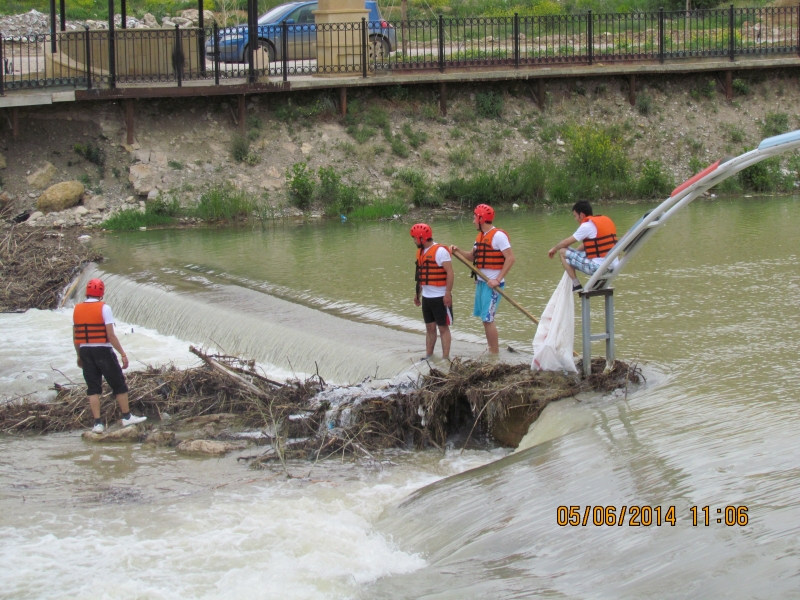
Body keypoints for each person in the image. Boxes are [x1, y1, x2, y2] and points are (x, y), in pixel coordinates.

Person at [73, 278, 146, 434]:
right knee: (118, 384)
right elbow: (110, 335)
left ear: (87, 292)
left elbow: (76, 336)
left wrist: (79, 355)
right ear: (101, 293)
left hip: (85, 350)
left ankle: (98, 424)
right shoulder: (104, 308)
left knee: (93, 389)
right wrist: (123, 353)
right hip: (103, 350)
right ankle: (127, 417)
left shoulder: (77, 309)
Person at [450, 204, 515, 356]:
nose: (473, 221)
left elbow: (510, 259)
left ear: (481, 219)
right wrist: (457, 250)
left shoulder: (498, 236)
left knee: (488, 318)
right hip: (482, 282)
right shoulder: (480, 237)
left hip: (493, 285)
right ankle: (492, 349)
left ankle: (495, 353)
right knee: (484, 319)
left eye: (474, 218)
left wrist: (497, 279)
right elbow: (472, 257)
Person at [548, 200, 619, 292]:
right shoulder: (604, 221)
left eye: (575, 216)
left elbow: (566, 243)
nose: (575, 219)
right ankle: (598, 281)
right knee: (568, 253)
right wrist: (573, 255)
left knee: (562, 251)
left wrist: (554, 249)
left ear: (581, 215)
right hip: (612, 267)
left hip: (597, 268)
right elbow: (589, 245)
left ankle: (576, 284)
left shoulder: (586, 226)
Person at [411, 223, 454, 361]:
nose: (414, 241)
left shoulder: (441, 251)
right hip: (426, 297)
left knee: (443, 328)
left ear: (422, 238)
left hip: (440, 296)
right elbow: (420, 275)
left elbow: (450, 273)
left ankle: (445, 358)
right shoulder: (421, 252)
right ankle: (429, 356)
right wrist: (417, 294)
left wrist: (447, 293)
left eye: (415, 238)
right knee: (430, 327)